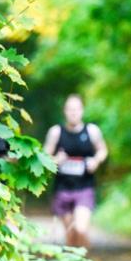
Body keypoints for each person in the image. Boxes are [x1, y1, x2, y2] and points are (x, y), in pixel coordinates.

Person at [44, 94, 108, 249]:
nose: (73, 113)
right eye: (70, 109)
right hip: (63, 189)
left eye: (76, 109)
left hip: (84, 187)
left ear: (82, 111)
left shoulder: (92, 131)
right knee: (71, 233)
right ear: (64, 111)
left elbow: (102, 150)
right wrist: (55, 160)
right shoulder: (56, 132)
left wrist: (96, 161)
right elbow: (43, 158)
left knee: (80, 228)